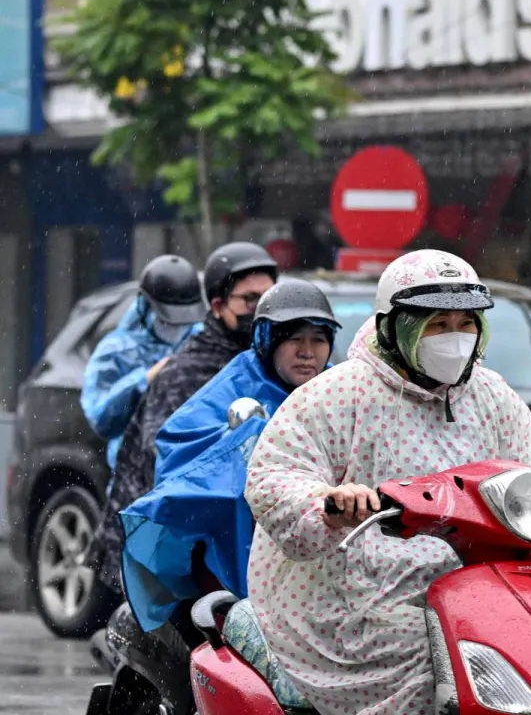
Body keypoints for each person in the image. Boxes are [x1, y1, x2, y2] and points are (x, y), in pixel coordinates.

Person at [244, 250, 531, 715]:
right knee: (423, 683)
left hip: (475, 591)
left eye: (465, 324)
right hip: (350, 594)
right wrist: (329, 502)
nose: (454, 338)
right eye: (437, 324)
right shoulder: (338, 394)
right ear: (397, 326)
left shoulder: (491, 394)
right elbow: (276, 477)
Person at [119, 279, 340, 633]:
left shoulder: (340, 389)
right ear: (267, 341)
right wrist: (242, 443)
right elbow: (180, 448)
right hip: (239, 544)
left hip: (324, 552)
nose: (307, 352)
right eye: (295, 338)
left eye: (318, 339)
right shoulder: (237, 383)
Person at [96, 242, 279, 594]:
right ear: (217, 305)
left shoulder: (283, 367)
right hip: (190, 541)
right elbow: (167, 462)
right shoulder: (188, 372)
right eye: (249, 300)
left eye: (270, 298)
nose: (261, 310)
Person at [82, 254, 205, 469]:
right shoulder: (115, 351)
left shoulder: (199, 338)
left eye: (182, 320)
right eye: (166, 319)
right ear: (144, 306)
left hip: (190, 469)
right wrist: (144, 380)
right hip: (134, 475)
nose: (175, 328)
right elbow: (101, 419)